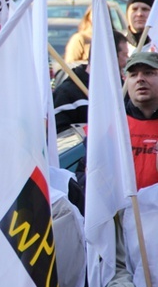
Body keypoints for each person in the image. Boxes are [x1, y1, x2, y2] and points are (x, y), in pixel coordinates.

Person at [54, 30, 129, 132]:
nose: (127, 61)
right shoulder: (66, 94)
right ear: (109, 56)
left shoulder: (125, 91)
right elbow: (60, 138)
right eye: (125, 55)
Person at [124, 52, 158, 190]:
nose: (140, 79)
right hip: (124, 210)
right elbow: (83, 178)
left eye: (148, 73)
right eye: (133, 75)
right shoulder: (112, 127)